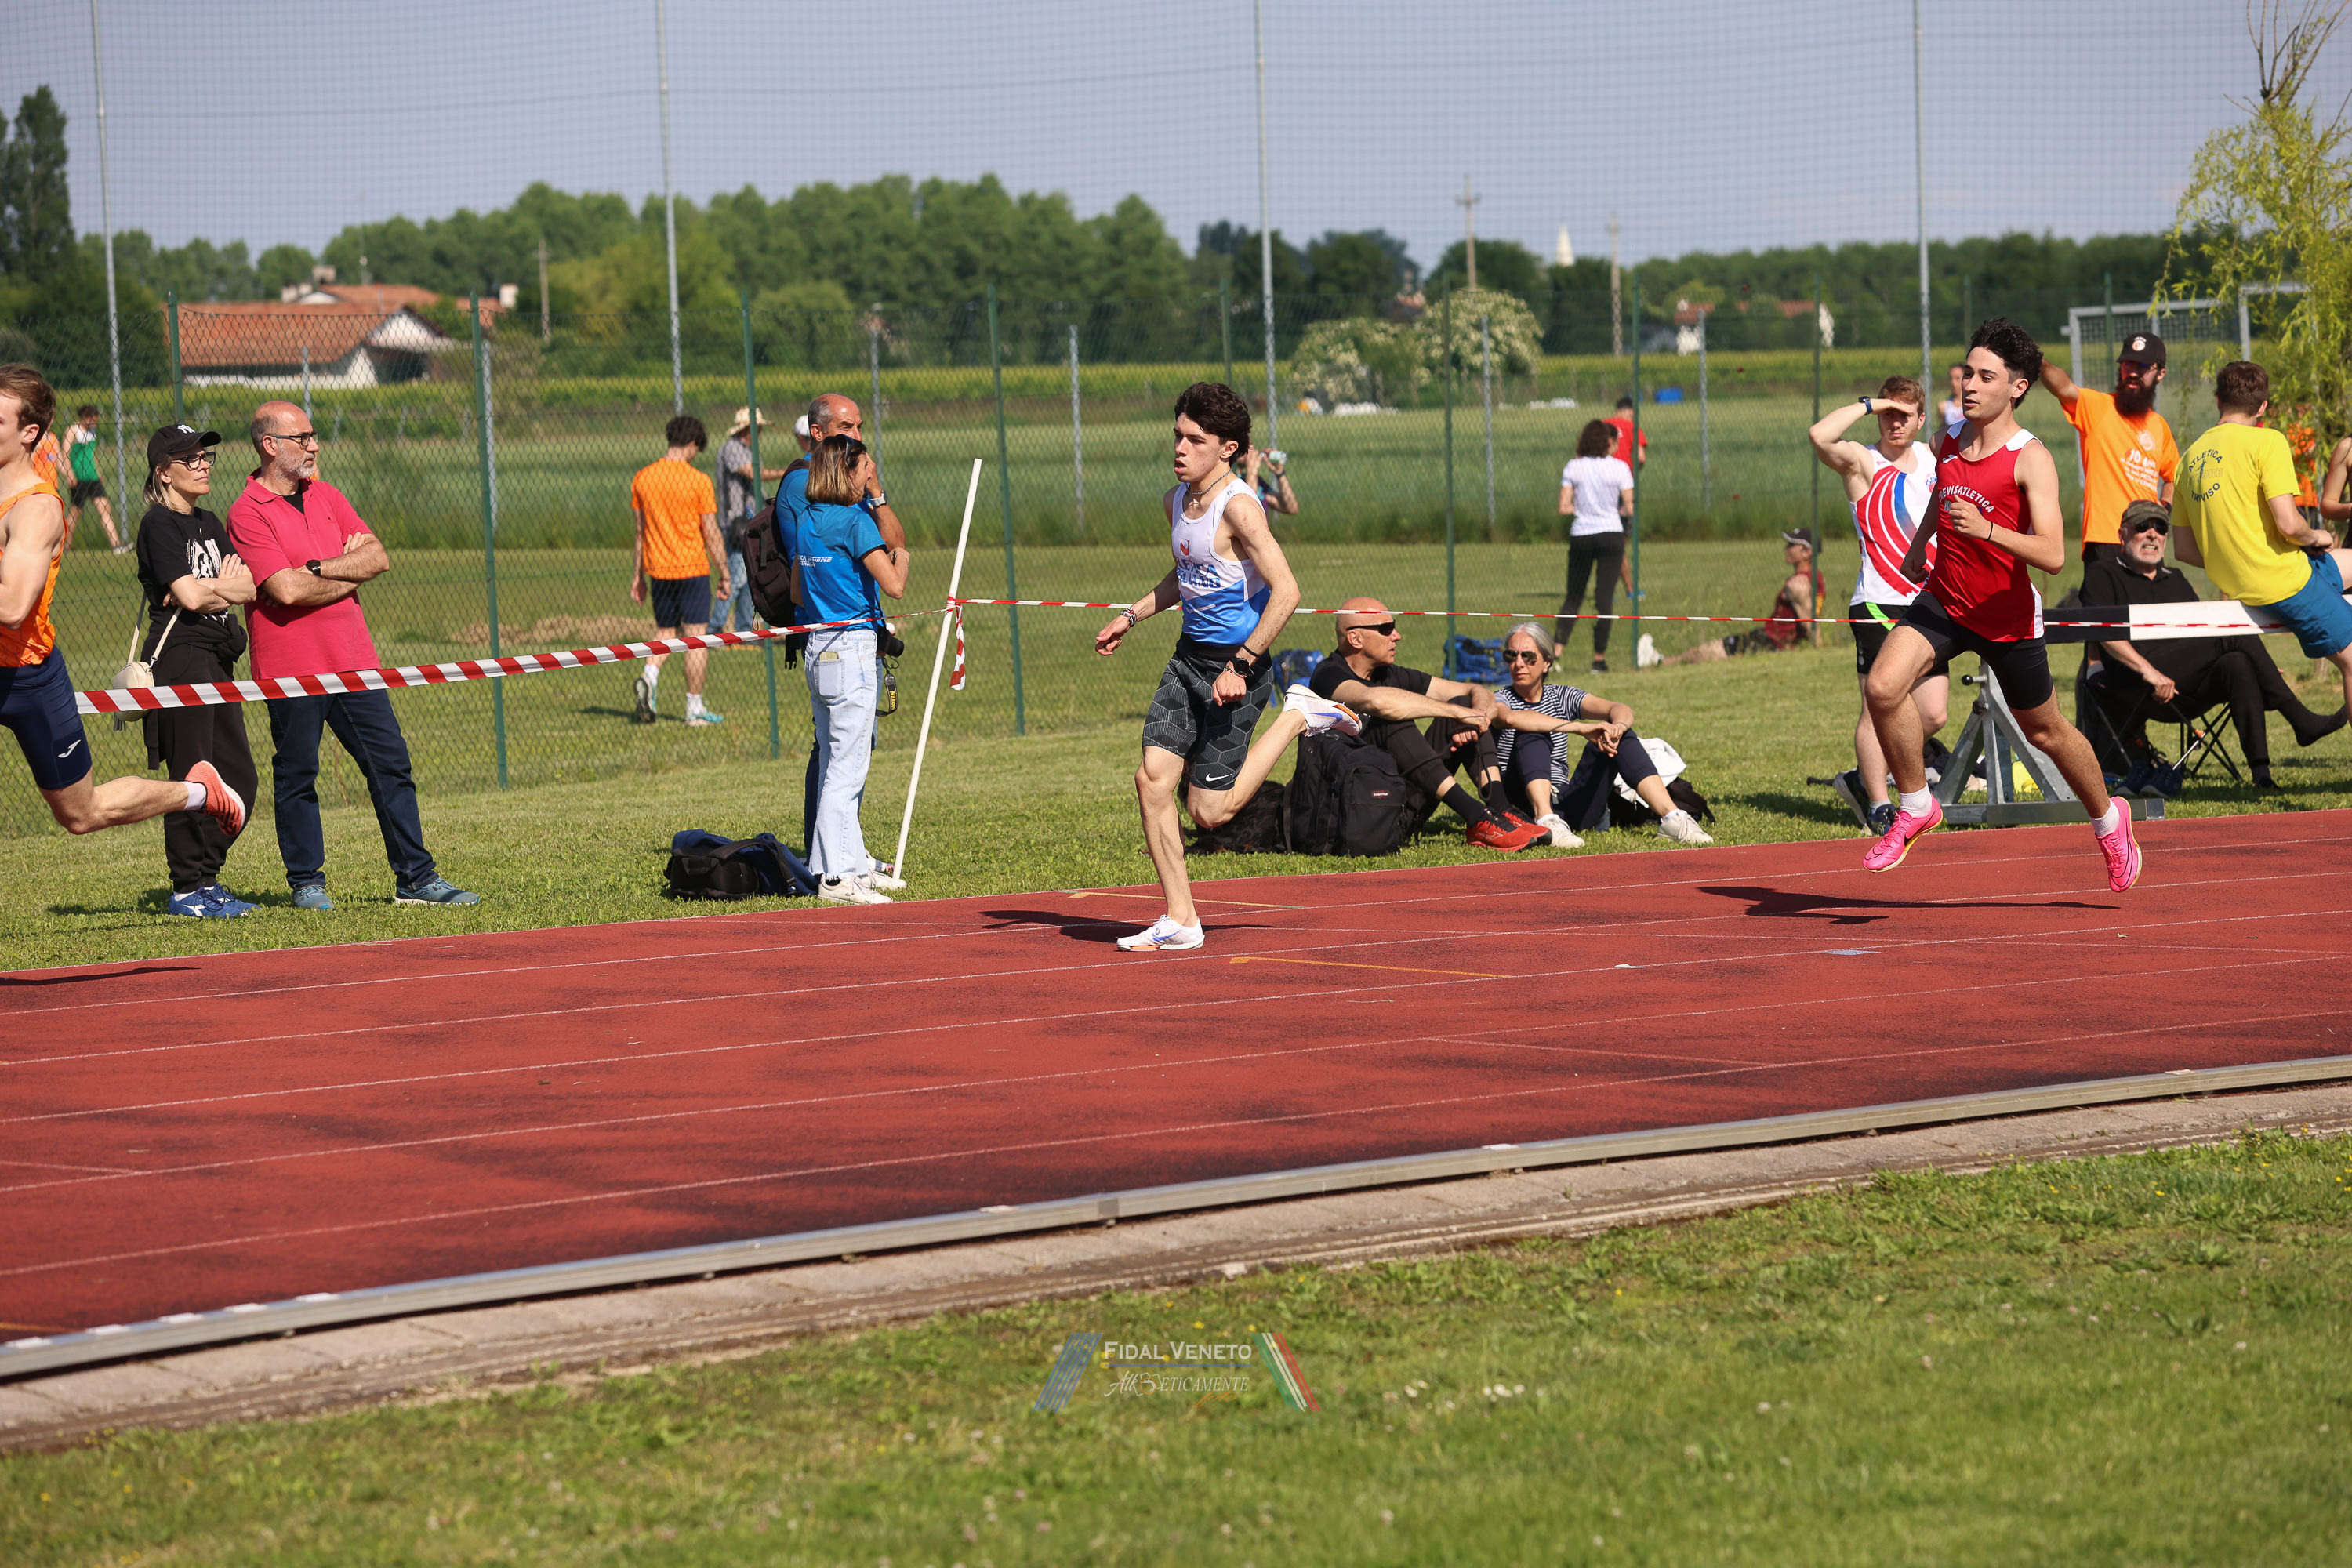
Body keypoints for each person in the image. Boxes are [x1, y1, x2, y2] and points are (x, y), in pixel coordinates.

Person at [1865, 318, 2140, 891]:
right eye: (1968, 372)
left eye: (1985, 377)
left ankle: (2110, 821)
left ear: (2017, 387)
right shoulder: (1947, 439)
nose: (1969, 385)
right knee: (1883, 688)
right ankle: (1916, 805)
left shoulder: (2030, 457)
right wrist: (1919, 547)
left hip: (2006, 617)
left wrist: (1988, 531)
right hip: (1945, 598)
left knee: (2045, 731)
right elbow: (1944, 494)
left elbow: (2054, 554)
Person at [1094, 383, 1323, 951]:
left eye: (1195, 440)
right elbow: (1187, 576)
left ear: (1228, 448)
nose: (1180, 448)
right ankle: (1181, 919)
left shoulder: (1240, 507)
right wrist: (1131, 615)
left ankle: (1296, 717)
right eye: (1177, 435)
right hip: (1187, 661)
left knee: (1209, 811)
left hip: (1238, 671)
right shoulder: (1174, 501)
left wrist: (1241, 666)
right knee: (1152, 781)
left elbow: (1288, 592)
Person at [227, 398, 477, 909]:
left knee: (391, 765)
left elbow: (378, 558)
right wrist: (346, 568)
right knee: (298, 776)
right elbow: (284, 590)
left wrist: (317, 569)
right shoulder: (246, 512)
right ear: (270, 445)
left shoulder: (328, 496)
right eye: (303, 438)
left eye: (314, 436)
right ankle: (307, 883)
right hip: (291, 670)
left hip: (355, 662)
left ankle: (416, 879)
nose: (314, 446)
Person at [0, 365, 245, 844]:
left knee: (81, 814)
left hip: (28, 676)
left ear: (28, 433)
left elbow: (12, 607)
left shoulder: (36, 508)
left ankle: (197, 792)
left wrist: (216, 588)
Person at [2078, 499, 2343, 791]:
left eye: (2160, 528)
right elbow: (2104, 634)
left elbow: (2202, 636)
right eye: (2142, 526)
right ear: (2122, 535)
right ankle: (2299, 718)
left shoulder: (2176, 579)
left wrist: (2260, 665)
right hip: (2135, 682)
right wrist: (2149, 672)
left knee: (2238, 663)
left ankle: (2262, 775)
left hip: (2184, 682)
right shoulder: (2102, 573)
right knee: (2233, 633)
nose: (2152, 534)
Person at [2169, 360, 2352, 721]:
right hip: (2282, 580)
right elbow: (2289, 524)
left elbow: (2185, 550)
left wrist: (2235, 556)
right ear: (2263, 407)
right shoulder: (2268, 441)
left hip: (2248, 578)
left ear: (2218, 399)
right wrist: (2316, 535)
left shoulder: (2187, 460)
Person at [1808, 378, 1950, 833]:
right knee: (1878, 709)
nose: (1895, 422)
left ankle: (1859, 777)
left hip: (1928, 603)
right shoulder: (1863, 461)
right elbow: (1819, 435)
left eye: (1904, 414)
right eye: (1889, 414)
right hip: (1878, 604)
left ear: (1921, 419)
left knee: (1934, 712)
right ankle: (1878, 803)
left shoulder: (1934, 459)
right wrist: (1872, 404)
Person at [1301, 599, 1554, 851]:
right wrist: (1456, 712)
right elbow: (1376, 701)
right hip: (1355, 816)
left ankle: (1501, 810)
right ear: (1355, 639)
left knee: (1464, 702)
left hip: (1396, 806)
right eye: (1386, 629)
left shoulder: (1389, 674)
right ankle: (1477, 817)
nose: (1397, 636)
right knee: (1392, 718)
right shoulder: (1329, 676)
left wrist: (1476, 716)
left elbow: (1475, 690)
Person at [135, 423, 263, 916]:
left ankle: (208, 878)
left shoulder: (209, 521)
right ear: (164, 473)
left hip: (217, 656)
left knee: (239, 777)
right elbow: (187, 598)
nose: (203, 464)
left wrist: (202, 587)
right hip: (181, 659)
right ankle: (188, 889)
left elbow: (248, 587)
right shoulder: (158, 525)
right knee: (192, 778)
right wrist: (207, 588)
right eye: (190, 459)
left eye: (205, 456)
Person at [782, 394, 907, 877]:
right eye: (864, 469)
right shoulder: (853, 520)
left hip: (818, 647)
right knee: (846, 770)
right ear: (847, 472)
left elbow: (798, 588)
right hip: (852, 646)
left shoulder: (809, 521)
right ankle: (831, 872)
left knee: (837, 759)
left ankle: (849, 864)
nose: (868, 474)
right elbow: (894, 585)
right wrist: (902, 558)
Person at [1492, 622, 1714, 846]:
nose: (1518, 663)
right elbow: (1510, 719)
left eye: (1528, 656)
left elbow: (1619, 709)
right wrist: (1579, 728)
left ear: (1547, 662)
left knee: (1615, 734)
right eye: (1511, 656)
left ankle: (1672, 818)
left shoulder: (1561, 696)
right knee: (1532, 733)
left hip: (1566, 803)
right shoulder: (1500, 699)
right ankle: (1545, 821)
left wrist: (1618, 728)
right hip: (1521, 806)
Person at [2038, 330, 2177, 565]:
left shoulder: (2159, 426)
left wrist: (2164, 508)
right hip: (2104, 541)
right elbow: (2064, 388)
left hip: (2148, 542)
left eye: (2143, 366)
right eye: (2127, 364)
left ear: (2160, 374)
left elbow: (2174, 478)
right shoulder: (2099, 407)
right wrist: (2036, 360)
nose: (2133, 372)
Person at [628, 414, 730, 727]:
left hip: (659, 571)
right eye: (697, 449)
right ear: (692, 444)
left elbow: (640, 533)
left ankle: (649, 677)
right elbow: (711, 532)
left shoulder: (643, 478)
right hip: (692, 568)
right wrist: (725, 573)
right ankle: (694, 708)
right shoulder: (699, 481)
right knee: (696, 637)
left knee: (665, 632)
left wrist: (638, 577)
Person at [1646, 530, 1824, 666]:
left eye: (1791, 545)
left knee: (1707, 652)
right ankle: (1660, 662)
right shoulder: (1815, 578)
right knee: (1705, 650)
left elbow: (1810, 622)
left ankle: (1658, 662)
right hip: (1768, 637)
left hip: (1771, 642)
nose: (1786, 548)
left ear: (1807, 553)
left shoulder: (1798, 584)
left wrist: (1820, 649)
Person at [1555, 419, 1634, 670]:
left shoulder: (1574, 467)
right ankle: (1599, 659)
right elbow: (1629, 507)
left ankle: (1555, 653)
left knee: (1574, 596)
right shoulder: (1621, 468)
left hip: (1582, 535)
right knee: (1604, 599)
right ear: (1608, 442)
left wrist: (1582, 509)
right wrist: (1614, 511)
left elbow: (1563, 507)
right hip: (1611, 534)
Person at [713, 406, 790, 635]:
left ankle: (744, 630)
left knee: (749, 577)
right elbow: (752, 473)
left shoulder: (748, 450)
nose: (761, 432)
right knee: (736, 577)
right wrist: (785, 473)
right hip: (735, 522)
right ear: (748, 429)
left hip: (749, 521)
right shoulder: (733, 448)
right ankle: (714, 629)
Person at [60, 404, 127, 553]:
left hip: (93, 477)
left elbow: (92, 454)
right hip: (79, 477)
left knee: (105, 508)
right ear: (84, 417)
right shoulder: (73, 430)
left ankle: (116, 545)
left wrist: (98, 472)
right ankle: (66, 545)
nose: (94, 423)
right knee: (76, 512)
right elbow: (65, 454)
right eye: (92, 420)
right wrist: (69, 474)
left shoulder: (92, 431)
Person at [1243, 445, 1298, 516]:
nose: (1252, 448)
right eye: (1246, 444)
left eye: (1251, 444)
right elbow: (1249, 508)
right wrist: (1252, 471)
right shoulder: (1233, 480)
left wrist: (1280, 474)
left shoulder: (1258, 481)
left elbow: (1292, 508)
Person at [1602, 395, 1648, 470]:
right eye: (1631, 411)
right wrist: (1634, 471)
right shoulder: (1633, 428)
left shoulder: (1602, 424)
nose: (1632, 415)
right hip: (1625, 470)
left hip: (1603, 470)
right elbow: (1641, 458)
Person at [1937, 361, 1965, 429]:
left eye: (1957, 378)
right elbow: (1942, 431)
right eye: (1951, 378)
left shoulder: (1972, 405)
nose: (1953, 382)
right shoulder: (1943, 407)